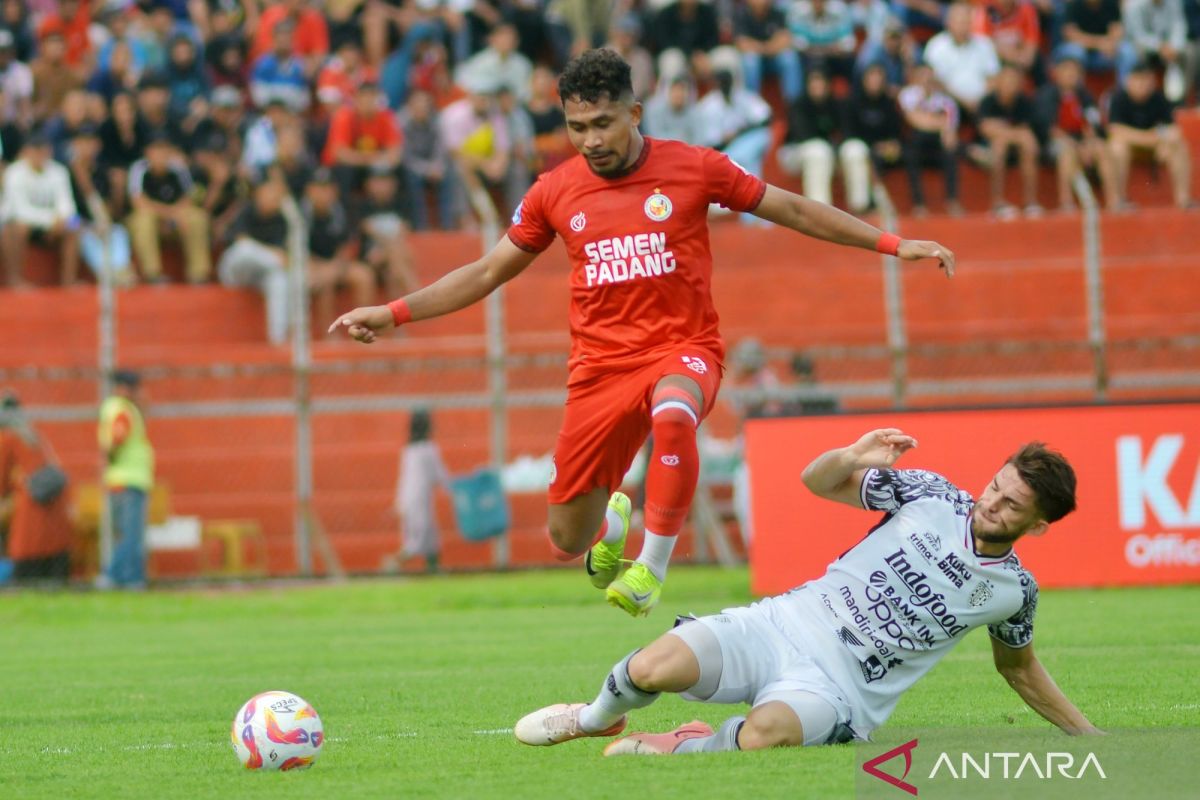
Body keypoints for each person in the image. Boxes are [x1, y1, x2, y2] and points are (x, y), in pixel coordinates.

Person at [329, 49, 954, 616]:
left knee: (675, 414)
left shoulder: (694, 168)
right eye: (578, 128)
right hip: (598, 372)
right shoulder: (554, 191)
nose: (591, 140)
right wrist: (394, 312)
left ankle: (651, 569)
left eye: (603, 124)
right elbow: (490, 270)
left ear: (634, 112)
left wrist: (893, 243)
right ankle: (611, 525)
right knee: (565, 538)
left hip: (683, 349)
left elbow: (789, 207)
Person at [514, 428, 1102, 753]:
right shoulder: (931, 495)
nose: (989, 504)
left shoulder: (1014, 592)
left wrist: (1089, 736)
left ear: (1039, 525)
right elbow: (816, 482)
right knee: (649, 667)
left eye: (1010, 506)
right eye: (994, 487)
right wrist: (849, 455)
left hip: (840, 689)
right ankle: (592, 719)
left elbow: (1019, 669)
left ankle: (680, 746)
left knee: (762, 738)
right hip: (782, 625)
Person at [0, 392, 72, 586]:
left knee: (27, 558)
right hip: (55, 517)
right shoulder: (33, 434)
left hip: (31, 511)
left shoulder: (7, 438)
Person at [776, 68, 872, 213]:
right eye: (814, 83)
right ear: (807, 85)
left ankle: (860, 205)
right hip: (794, 153)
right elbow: (803, 136)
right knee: (818, 151)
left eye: (821, 83)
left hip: (829, 152)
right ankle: (819, 211)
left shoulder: (837, 104)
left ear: (828, 85)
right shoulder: (799, 105)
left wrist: (838, 148)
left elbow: (847, 133)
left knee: (856, 148)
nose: (818, 87)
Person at [1034, 51, 1116, 211]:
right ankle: (1066, 202)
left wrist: (1089, 143)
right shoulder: (1046, 94)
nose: (1071, 75)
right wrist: (1077, 146)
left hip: (1081, 141)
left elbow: (1092, 123)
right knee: (1066, 151)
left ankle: (1114, 200)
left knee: (1101, 148)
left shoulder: (1084, 95)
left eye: (1075, 71)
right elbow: (1050, 129)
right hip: (1055, 143)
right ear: (1056, 72)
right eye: (1067, 70)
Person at [126, 131, 211, 284]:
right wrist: (169, 214)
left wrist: (176, 214)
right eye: (156, 149)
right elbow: (138, 202)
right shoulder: (139, 169)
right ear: (147, 152)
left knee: (197, 218)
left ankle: (198, 273)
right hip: (155, 218)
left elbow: (190, 196)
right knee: (143, 219)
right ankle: (153, 273)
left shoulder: (178, 167)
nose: (160, 154)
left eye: (164, 149)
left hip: (176, 218)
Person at [1107, 60, 1194, 210]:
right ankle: (1117, 200)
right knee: (1117, 148)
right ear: (1128, 81)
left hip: (1155, 149)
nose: (1142, 85)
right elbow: (1115, 131)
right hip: (1132, 149)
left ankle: (1183, 198)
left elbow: (1174, 130)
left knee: (1179, 146)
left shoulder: (1158, 98)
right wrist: (1150, 137)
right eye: (1138, 80)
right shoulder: (1119, 98)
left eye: (1145, 79)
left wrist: (1162, 140)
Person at [0, 128, 80, 287]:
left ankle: (68, 281)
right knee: (17, 228)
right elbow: (19, 210)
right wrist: (51, 220)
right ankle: (15, 280)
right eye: (35, 150)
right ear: (26, 152)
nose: (39, 154)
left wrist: (62, 220)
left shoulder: (59, 171)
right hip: (22, 224)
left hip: (53, 224)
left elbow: (68, 204)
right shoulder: (14, 173)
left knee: (75, 224)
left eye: (42, 149)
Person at [218, 179, 293, 345]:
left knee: (279, 280)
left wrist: (277, 258)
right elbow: (240, 239)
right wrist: (274, 256)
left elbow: (282, 253)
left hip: (260, 275)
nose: (273, 199)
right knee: (246, 249)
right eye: (269, 194)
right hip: (234, 271)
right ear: (259, 194)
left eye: (276, 197)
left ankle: (278, 338)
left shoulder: (281, 220)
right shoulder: (246, 210)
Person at [98, 370, 155, 589]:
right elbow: (117, 438)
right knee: (132, 536)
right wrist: (111, 457)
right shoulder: (121, 410)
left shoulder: (119, 408)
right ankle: (119, 576)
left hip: (125, 479)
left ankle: (121, 576)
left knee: (129, 534)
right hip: (128, 480)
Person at [387, 409, 451, 573]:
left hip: (408, 501)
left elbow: (403, 478)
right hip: (419, 502)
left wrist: (399, 502)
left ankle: (433, 570)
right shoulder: (428, 449)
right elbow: (440, 475)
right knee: (418, 540)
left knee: (430, 539)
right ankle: (392, 564)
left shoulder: (409, 450)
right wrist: (454, 489)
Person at [899, 62, 964, 216]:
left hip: (937, 145)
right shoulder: (907, 95)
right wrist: (940, 123)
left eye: (929, 75)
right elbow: (915, 121)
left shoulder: (946, 101)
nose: (926, 79)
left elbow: (951, 130)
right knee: (912, 150)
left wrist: (935, 123)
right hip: (915, 143)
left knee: (951, 150)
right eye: (922, 75)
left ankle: (952, 200)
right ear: (914, 77)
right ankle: (919, 204)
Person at [978, 64, 1043, 218]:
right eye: (1007, 80)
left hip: (1017, 145)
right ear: (998, 82)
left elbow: (1027, 131)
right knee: (999, 146)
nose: (1010, 84)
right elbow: (986, 129)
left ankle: (1030, 201)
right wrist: (1011, 133)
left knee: (1029, 144)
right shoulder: (987, 101)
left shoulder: (1023, 102)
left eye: (1014, 81)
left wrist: (1003, 130)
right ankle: (997, 202)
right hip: (985, 147)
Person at [923, 3, 1000, 117]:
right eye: (959, 22)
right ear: (948, 22)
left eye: (966, 21)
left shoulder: (984, 44)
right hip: (947, 103)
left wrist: (982, 101)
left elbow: (994, 79)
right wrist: (963, 102)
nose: (963, 26)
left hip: (981, 105)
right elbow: (931, 81)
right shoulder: (936, 46)